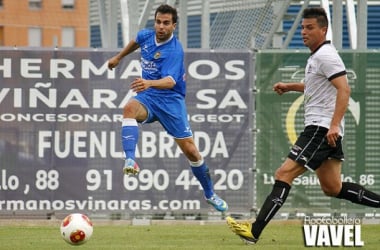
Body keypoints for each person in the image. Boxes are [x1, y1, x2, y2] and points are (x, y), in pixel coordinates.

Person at [226, 7, 380, 244]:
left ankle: (254, 231)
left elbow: (344, 89)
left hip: (320, 129)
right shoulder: (317, 56)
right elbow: (318, 88)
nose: (304, 32)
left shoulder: (326, 56)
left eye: (310, 28)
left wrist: (334, 125)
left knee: (283, 174)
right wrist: (290, 86)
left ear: (323, 29)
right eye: (302, 28)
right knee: (332, 187)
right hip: (325, 129)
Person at [107, 4, 228, 212]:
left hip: (171, 101)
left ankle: (210, 194)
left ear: (174, 26)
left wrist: (149, 83)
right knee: (128, 109)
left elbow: (171, 81)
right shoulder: (147, 35)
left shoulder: (174, 50)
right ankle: (130, 160)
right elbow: (135, 41)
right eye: (158, 22)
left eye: (165, 23)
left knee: (191, 151)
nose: (160, 27)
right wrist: (119, 57)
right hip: (149, 97)